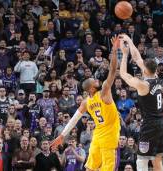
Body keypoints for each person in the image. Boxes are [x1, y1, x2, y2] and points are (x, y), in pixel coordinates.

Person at [51, 36, 120, 171]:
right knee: (108, 168)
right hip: (109, 135)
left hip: (97, 134)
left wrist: (63, 135)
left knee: (89, 168)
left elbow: (74, 119)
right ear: (92, 88)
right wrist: (115, 50)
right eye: (94, 81)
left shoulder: (86, 102)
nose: (97, 80)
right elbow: (112, 70)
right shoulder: (105, 92)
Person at [119, 34, 163, 171]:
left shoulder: (143, 85)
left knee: (141, 159)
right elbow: (137, 58)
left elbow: (124, 74)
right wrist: (129, 40)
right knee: (157, 160)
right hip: (162, 122)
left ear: (145, 70)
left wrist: (124, 54)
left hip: (150, 124)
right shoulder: (157, 77)